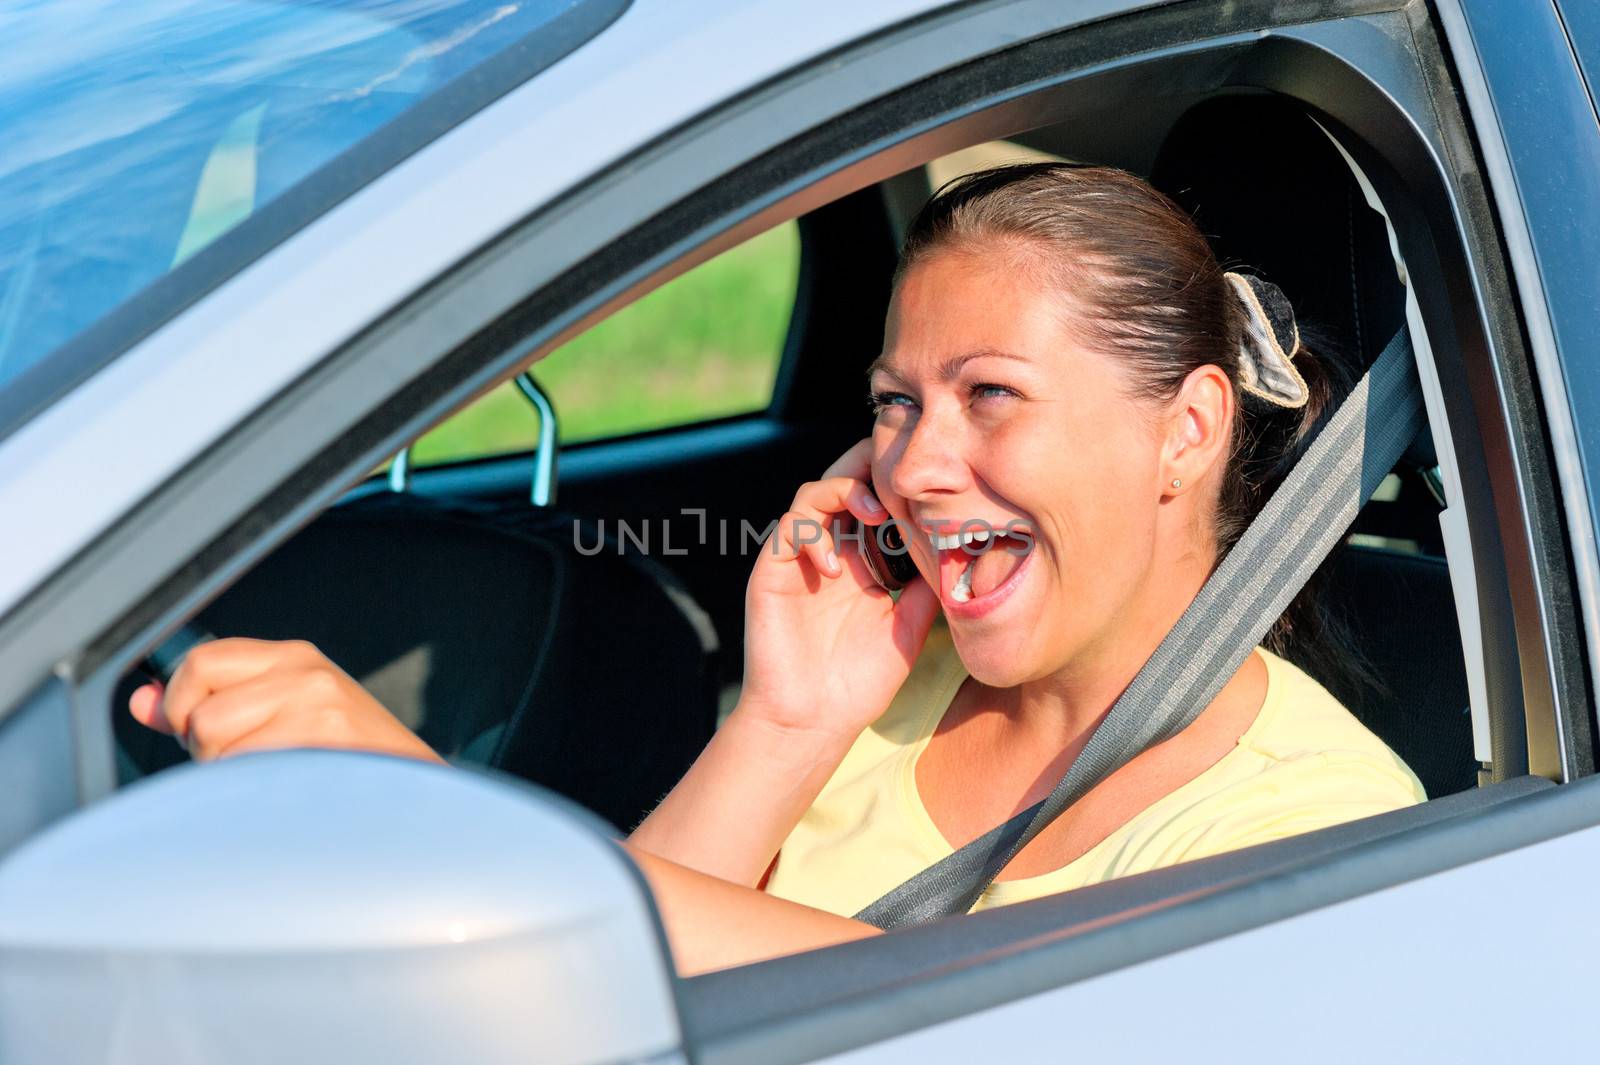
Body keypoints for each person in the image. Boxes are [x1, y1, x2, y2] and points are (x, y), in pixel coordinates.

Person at [127, 163, 1426, 977]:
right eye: (897, 403)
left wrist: (433, 819)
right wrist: (784, 719)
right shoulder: (883, 687)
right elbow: (623, 997)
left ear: (1185, 430)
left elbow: (979, 1019)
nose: (913, 466)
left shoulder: (1325, 824)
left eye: (989, 394)